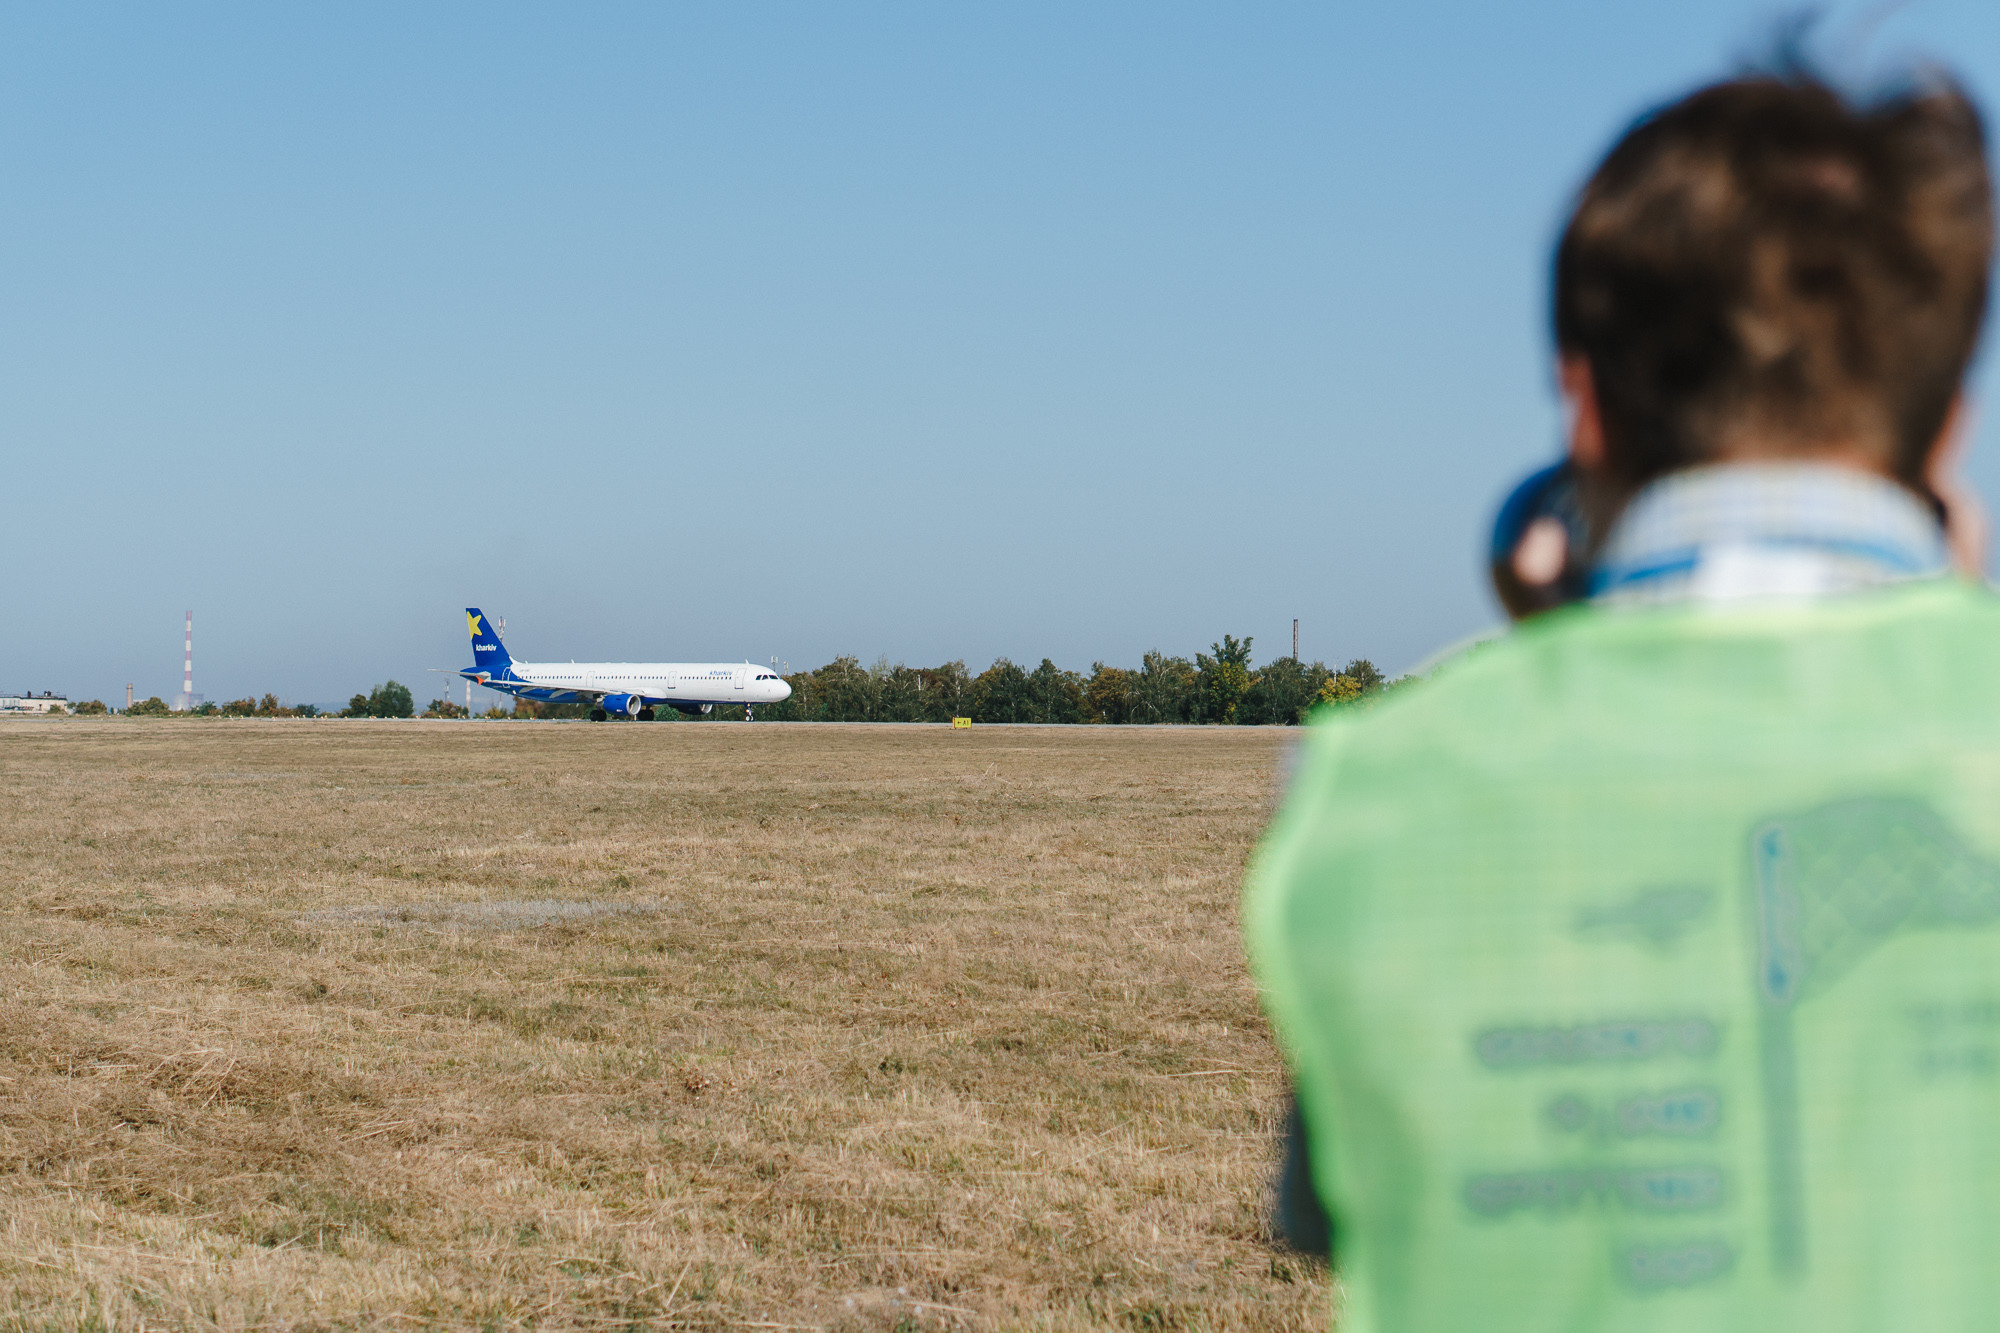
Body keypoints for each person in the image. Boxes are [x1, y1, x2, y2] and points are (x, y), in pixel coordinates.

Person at [1246, 63, 1997, 1331]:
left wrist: (1558, 655)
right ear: (1945, 435)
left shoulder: (1370, 789)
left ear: (1581, 403)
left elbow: (1344, 1210)